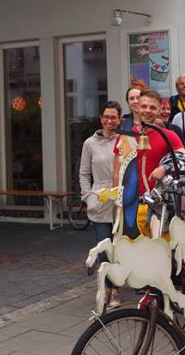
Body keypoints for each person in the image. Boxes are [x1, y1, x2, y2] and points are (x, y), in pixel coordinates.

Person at [120, 91, 185, 238]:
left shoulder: (169, 135)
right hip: (131, 205)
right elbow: (117, 171)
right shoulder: (125, 136)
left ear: (159, 110)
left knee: (160, 253)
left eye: (152, 107)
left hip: (160, 206)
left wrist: (165, 168)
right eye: (144, 106)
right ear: (137, 108)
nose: (147, 110)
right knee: (132, 252)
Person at [80, 101, 123, 308]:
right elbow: (84, 173)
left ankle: (116, 288)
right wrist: (88, 196)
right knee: (104, 247)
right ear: (101, 118)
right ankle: (109, 289)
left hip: (120, 203)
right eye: (106, 116)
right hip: (99, 201)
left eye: (113, 117)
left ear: (120, 119)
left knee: (118, 248)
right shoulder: (90, 143)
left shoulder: (124, 140)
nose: (109, 121)